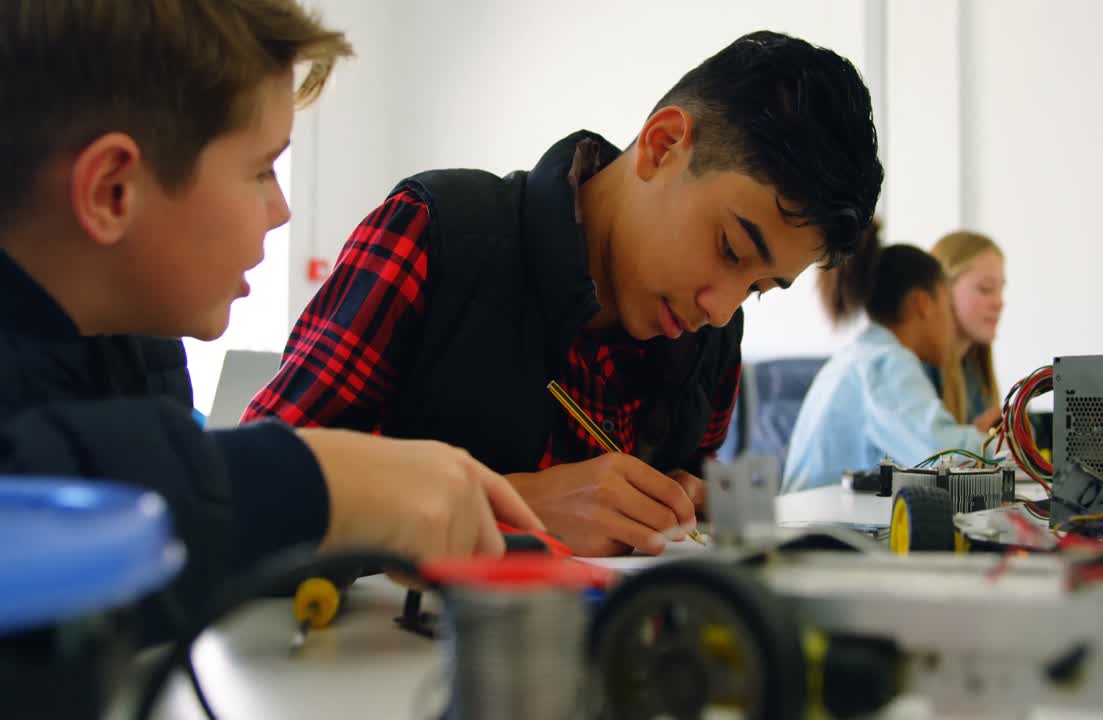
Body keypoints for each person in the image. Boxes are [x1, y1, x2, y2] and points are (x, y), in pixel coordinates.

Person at [0, 0, 540, 641]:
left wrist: (349, 514)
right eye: (262, 169)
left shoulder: (134, 346)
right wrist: (318, 482)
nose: (281, 210)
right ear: (111, 193)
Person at [245, 31, 884, 556]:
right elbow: (246, 497)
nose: (720, 308)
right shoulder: (436, 236)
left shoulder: (711, 343)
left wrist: (684, 503)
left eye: (760, 288)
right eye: (731, 249)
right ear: (663, 146)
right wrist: (512, 509)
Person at [782, 245, 986, 493]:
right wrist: (996, 440)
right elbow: (941, 455)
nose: (952, 326)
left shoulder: (861, 354)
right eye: (947, 307)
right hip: (822, 517)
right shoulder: (885, 362)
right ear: (922, 304)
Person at [929, 231, 1005, 427]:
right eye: (986, 288)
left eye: (1001, 289)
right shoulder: (917, 373)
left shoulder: (974, 371)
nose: (999, 302)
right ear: (943, 290)